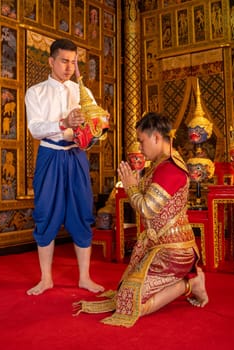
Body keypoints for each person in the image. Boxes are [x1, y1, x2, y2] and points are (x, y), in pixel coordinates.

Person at [74, 112, 208, 327]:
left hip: (173, 251)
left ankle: (189, 283)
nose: (140, 146)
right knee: (123, 294)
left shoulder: (170, 169)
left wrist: (130, 187)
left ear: (156, 137)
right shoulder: (162, 163)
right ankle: (187, 278)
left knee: (129, 305)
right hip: (160, 246)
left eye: (141, 140)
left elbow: (147, 209)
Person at [25, 38, 104, 296]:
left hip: (76, 157)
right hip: (50, 156)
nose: (69, 67)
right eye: (64, 61)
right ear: (51, 61)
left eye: (73, 62)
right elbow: (35, 128)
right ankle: (46, 278)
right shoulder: (35, 92)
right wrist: (63, 123)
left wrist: (95, 131)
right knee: (46, 213)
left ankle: (84, 277)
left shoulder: (83, 92)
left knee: (82, 212)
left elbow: (92, 130)